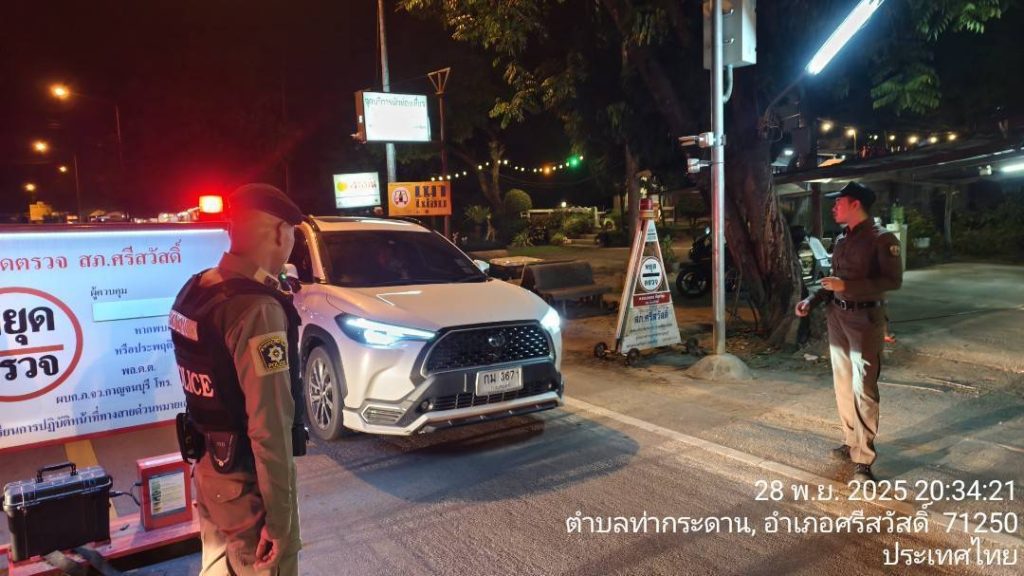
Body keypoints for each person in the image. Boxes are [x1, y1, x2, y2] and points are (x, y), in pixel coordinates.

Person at [169, 183, 307, 575]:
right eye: (292, 234)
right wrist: (279, 522)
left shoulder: (200, 288)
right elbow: (270, 428)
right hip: (247, 488)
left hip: (211, 473)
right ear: (279, 232)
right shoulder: (257, 309)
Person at [794, 181, 902, 483]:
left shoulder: (882, 239)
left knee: (863, 388)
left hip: (865, 320)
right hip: (838, 317)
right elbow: (834, 280)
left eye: (839, 202)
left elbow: (892, 281)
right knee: (842, 385)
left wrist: (848, 286)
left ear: (855, 204)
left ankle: (864, 459)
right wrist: (812, 300)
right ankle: (850, 440)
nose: (834, 207)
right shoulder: (842, 239)